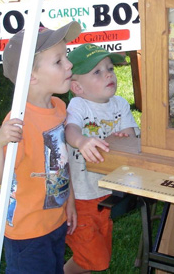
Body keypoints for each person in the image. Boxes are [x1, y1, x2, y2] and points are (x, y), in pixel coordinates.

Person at [0, 21, 81, 273]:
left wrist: (69, 201)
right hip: (27, 233)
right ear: (31, 76)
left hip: (55, 221)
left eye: (67, 57)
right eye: (58, 61)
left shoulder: (59, 108)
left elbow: (63, 163)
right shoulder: (18, 122)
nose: (69, 64)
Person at [64, 44, 139, 274]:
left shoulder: (120, 104)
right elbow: (70, 130)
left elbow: (132, 134)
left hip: (107, 192)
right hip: (82, 195)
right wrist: (81, 141)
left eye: (109, 68)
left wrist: (124, 136)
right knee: (94, 259)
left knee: (94, 250)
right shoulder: (78, 105)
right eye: (97, 72)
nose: (108, 74)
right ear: (77, 87)